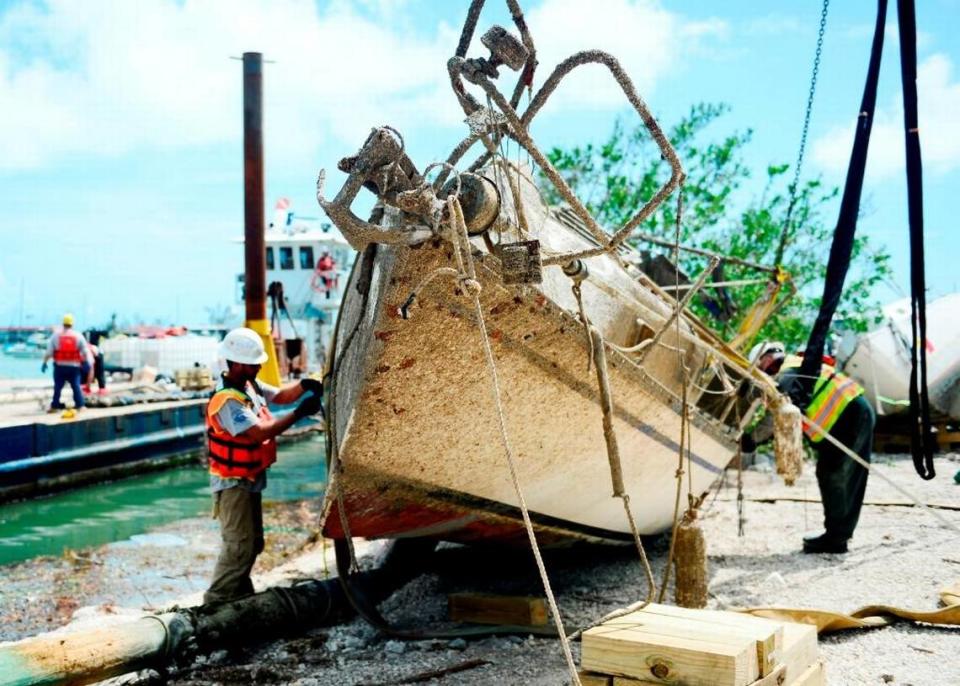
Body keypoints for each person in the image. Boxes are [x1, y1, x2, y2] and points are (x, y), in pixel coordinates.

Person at [203, 327, 324, 604]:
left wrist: (305, 385)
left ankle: (241, 597)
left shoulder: (249, 386)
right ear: (233, 363)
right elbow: (260, 433)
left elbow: (281, 395)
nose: (258, 366)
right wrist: (299, 413)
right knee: (238, 547)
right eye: (252, 363)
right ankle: (214, 604)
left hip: (249, 478)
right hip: (233, 482)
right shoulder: (227, 401)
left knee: (253, 542)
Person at [746, 341, 875, 554]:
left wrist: (752, 440)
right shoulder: (798, 365)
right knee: (843, 476)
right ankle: (838, 535)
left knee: (834, 475)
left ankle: (835, 539)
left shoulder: (787, 375)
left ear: (766, 359)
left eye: (759, 369)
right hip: (852, 412)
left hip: (848, 417)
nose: (762, 376)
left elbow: (776, 415)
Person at [41, 313, 89, 412]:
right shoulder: (78, 335)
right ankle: (80, 405)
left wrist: (44, 363)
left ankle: (55, 406)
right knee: (76, 386)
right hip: (74, 366)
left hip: (60, 366)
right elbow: (85, 351)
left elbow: (49, 352)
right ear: (72, 324)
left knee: (57, 387)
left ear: (63, 323)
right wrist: (86, 363)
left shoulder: (56, 336)